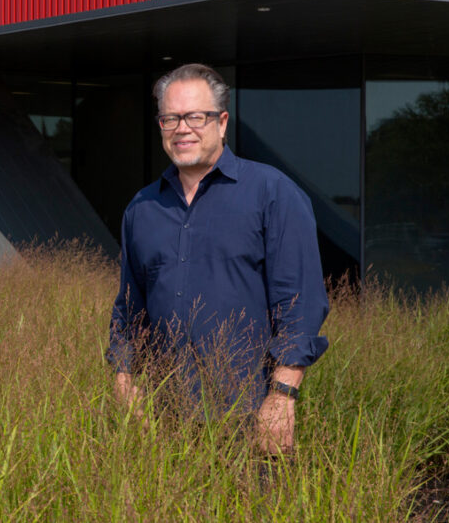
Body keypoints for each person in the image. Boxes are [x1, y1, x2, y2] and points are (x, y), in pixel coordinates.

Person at [107, 63, 329, 454]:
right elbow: (129, 311)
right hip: (161, 422)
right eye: (170, 118)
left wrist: (281, 397)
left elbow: (301, 304)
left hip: (250, 416)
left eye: (196, 116)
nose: (182, 128)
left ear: (222, 122)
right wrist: (123, 381)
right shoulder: (141, 209)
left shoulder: (272, 194)